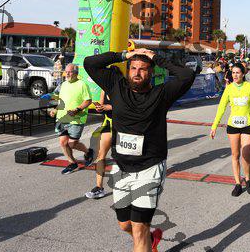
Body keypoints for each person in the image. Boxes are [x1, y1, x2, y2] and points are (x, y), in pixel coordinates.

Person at [84, 48, 195, 252]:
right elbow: (89, 63)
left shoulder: (161, 94)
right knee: (125, 225)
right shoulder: (115, 85)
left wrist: (156, 58)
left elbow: (187, 75)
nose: (137, 73)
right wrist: (123, 55)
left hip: (149, 169)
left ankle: (145, 241)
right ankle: (151, 240)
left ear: (151, 72)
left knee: (139, 228)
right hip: (121, 169)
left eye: (143, 69)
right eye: (133, 68)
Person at [210, 63, 250, 196]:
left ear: (243, 74)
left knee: (246, 156)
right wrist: (214, 126)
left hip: (247, 125)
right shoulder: (229, 88)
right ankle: (237, 184)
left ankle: (248, 179)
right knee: (235, 155)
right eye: (233, 72)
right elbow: (221, 107)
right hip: (233, 126)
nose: (235, 75)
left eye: (238, 72)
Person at [50, 64, 94, 174]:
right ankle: (72, 163)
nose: (67, 74)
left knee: (72, 144)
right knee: (63, 142)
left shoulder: (82, 84)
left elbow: (88, 100)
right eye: (66, 71)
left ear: (76, 73)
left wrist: (77, 109)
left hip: (77, 118)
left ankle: (88, 152)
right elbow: (61, 101)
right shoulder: (63, 85)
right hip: (62, 117)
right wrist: (55, 110)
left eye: (69, 72)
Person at [86, 90, 113, 199]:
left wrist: (110, 107)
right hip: (109, 123)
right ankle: (99, 187)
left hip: (124, 125)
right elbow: (101, 106)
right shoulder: (104, 90)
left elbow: (131, 106)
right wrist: (99, 108)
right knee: (100, 155)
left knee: (127, 157)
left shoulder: (125, 86)